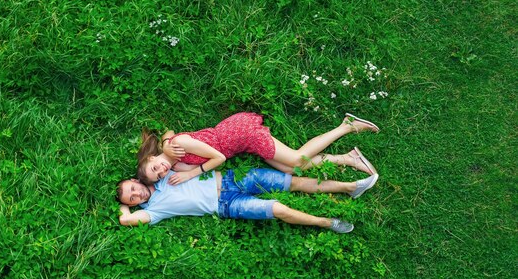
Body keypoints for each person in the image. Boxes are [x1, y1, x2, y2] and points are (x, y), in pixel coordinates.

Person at [137, 112, 379, 185]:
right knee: (292, 171)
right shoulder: (172, 156)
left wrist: (191, 172)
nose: (161, 170)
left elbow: (218, 157)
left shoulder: (176, 146)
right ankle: (349, 158)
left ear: (149, 158)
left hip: (240, 133)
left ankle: (346, 126)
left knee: (296, 159)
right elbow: (166, 134)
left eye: (154, 167)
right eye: (159, 175)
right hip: (241, 145)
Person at [117, 167, 379, 233]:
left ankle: (350, 187)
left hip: (236, 179)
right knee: (278, 208)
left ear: (138, 180)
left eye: (133, 188)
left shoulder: (162, 173)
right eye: (132, 197)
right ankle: (326, 222)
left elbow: (169, 136)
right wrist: (124, 205)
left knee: (293, 182)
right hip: (227, 206)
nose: (136, 194)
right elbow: (126, 220)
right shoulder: (154, 210)